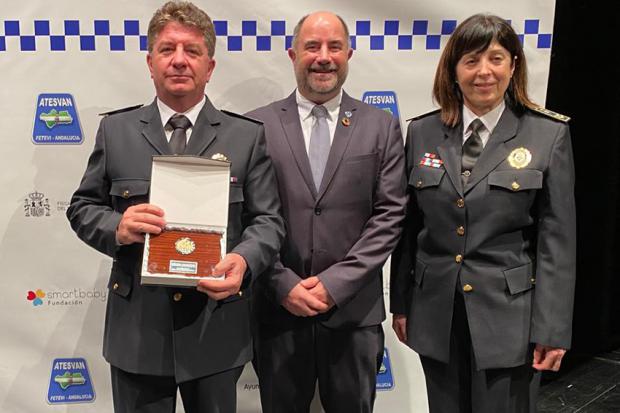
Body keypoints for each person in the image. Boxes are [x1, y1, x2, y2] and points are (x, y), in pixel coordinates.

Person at [66, 2, 284, 412]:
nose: (179, 61)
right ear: (150, 62)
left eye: (192, 51)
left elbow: (268, 220)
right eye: (167, 50)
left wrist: (244, 261)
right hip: (138, 333)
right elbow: (82, 208)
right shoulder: (116, 131)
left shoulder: (246, 136)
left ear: (210, 66)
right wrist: (118, 226)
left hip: (216, 327)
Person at [390, 13, 576, 413]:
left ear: (513, 65)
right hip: (436, 312)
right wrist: (401, 305)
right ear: (453, 70)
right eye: (471, 60)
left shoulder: (548, 134)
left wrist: (553, 329)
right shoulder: (422, 132)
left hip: (511, 319)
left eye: (495, 58)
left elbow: (557, 242)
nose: (484, 72)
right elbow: (409, 228)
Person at [247, 11, 407, 413]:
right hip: (277, 311)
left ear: (349, 53)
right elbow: (247, 217)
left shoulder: (381, 126)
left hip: (353, 315)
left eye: (334, 47)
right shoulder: (256, 126)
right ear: (292, 54)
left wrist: (334, 284)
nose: (324, 57)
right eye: (312, 47)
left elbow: (389, 216)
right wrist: (282, 284)